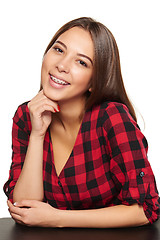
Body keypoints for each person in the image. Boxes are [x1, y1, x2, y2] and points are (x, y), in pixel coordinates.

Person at [4, 17, 160, 228]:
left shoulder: (112, 118)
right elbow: (24, 209)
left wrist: (58, 218)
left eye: (81, 62)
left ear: (94, 82)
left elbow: (146, 209)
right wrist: (37, 135)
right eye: (59, 50)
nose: (61, 65)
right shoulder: (27, 115)